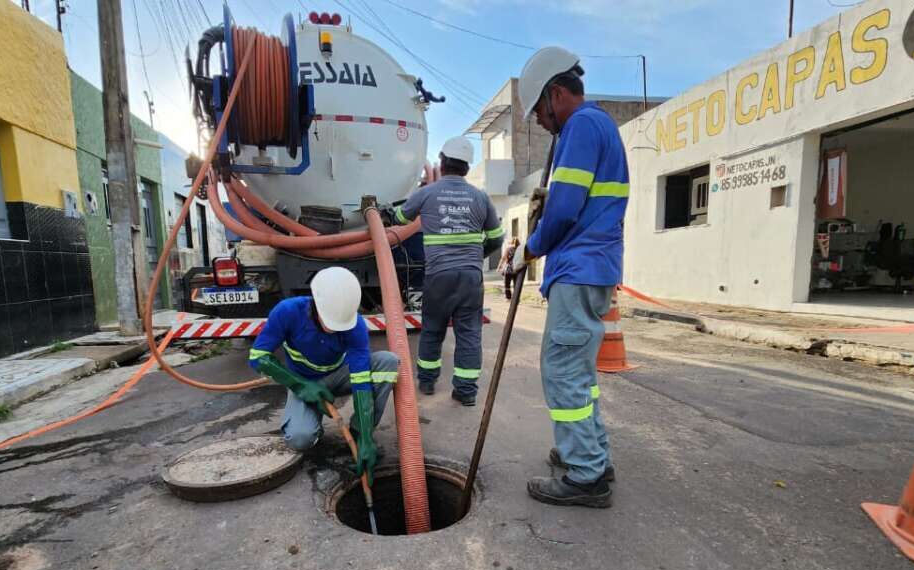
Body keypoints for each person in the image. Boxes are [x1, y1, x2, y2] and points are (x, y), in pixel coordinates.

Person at [503, 47, 629, 508]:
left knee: (563, 373)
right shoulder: (598, 126)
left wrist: (529, 250)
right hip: (591, 269)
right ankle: (592, 455)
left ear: (556, 94)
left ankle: (587, 476)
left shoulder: (580, 127)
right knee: (579, 374)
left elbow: (563, 209)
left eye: (538, 109)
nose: (539, 121)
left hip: (579, 269)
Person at [247, 267, 399, 479]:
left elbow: (361, 381)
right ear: (315, 303)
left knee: (388, 361)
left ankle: (357, 435)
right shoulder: (288, 312)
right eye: (330, 322)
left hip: (339, 375)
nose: (335, 328)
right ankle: (312, 423)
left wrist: (365, 436)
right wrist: (300, 386)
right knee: (300, 439)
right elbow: (257, 357)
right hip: (303, 380)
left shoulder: (354, 325)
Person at [387, 136, 503, 406]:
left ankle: (427, 382)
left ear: (442, 161)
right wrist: (475, 256)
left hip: (438, 276)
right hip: (471, 278)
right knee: (469, 333)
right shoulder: (480, 197)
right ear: (466, 166)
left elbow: (400, 219)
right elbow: (496, 239)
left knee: (432, 330)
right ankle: (466, 392)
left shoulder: (427, 193)